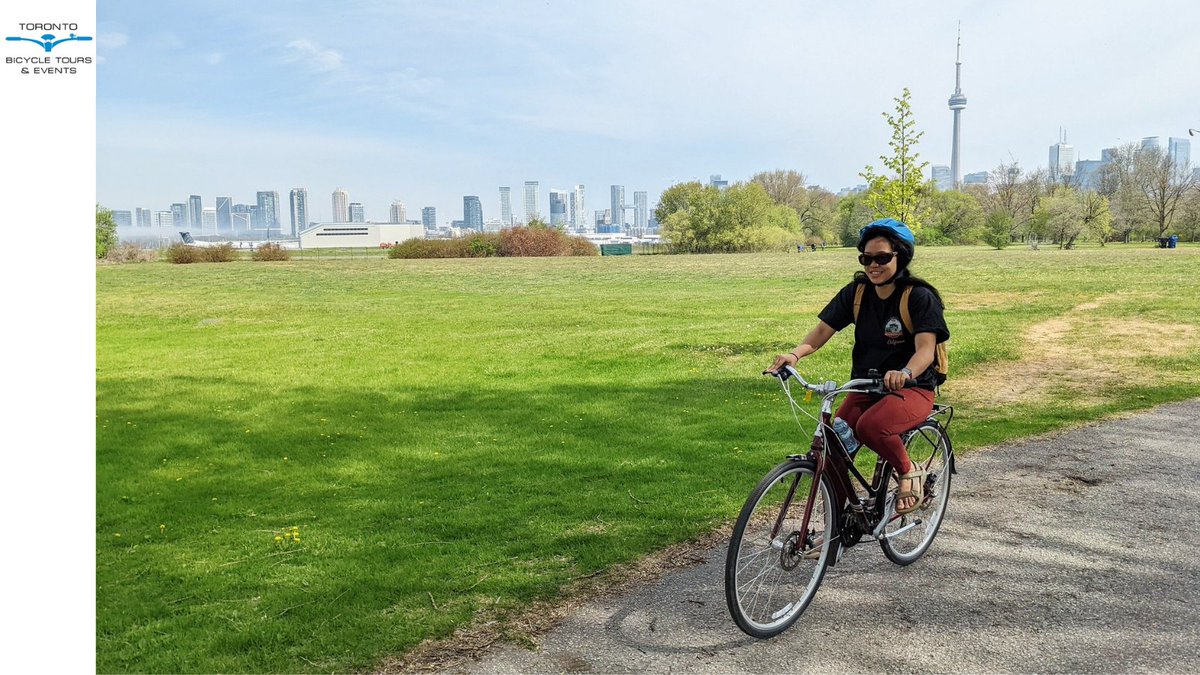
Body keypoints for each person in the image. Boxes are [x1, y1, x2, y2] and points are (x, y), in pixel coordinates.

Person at [765, 218, 949, 514]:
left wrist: (904, 373)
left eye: (882, 258)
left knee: (871, 427)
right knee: (831, 445)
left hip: (913, 389)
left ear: (900, 257)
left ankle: (909, 470)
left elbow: (926, 350)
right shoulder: (857, 293)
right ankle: (834, 530)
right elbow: (823, 330)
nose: (873, 265)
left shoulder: (918, 297)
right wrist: (795, 355)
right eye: (866, 258)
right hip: (864, 386)